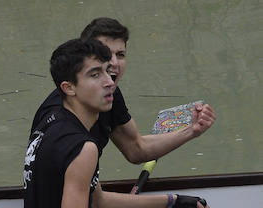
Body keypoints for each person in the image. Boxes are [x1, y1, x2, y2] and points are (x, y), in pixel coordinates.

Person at [22, 38, 210, 208]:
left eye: (106, 71)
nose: (109, 82)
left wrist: (170, 201)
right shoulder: (82, 148)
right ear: (69, 88)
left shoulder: (53, 120)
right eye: (94, 75)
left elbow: (98, 203)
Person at [31, 17, 217, 163]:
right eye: (104, 54)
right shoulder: (62, 124)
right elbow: (94, 203)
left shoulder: (108, 94)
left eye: (120, 55)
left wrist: (191, 130)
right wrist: (167, 202)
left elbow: (136, 149)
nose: (113, 63)